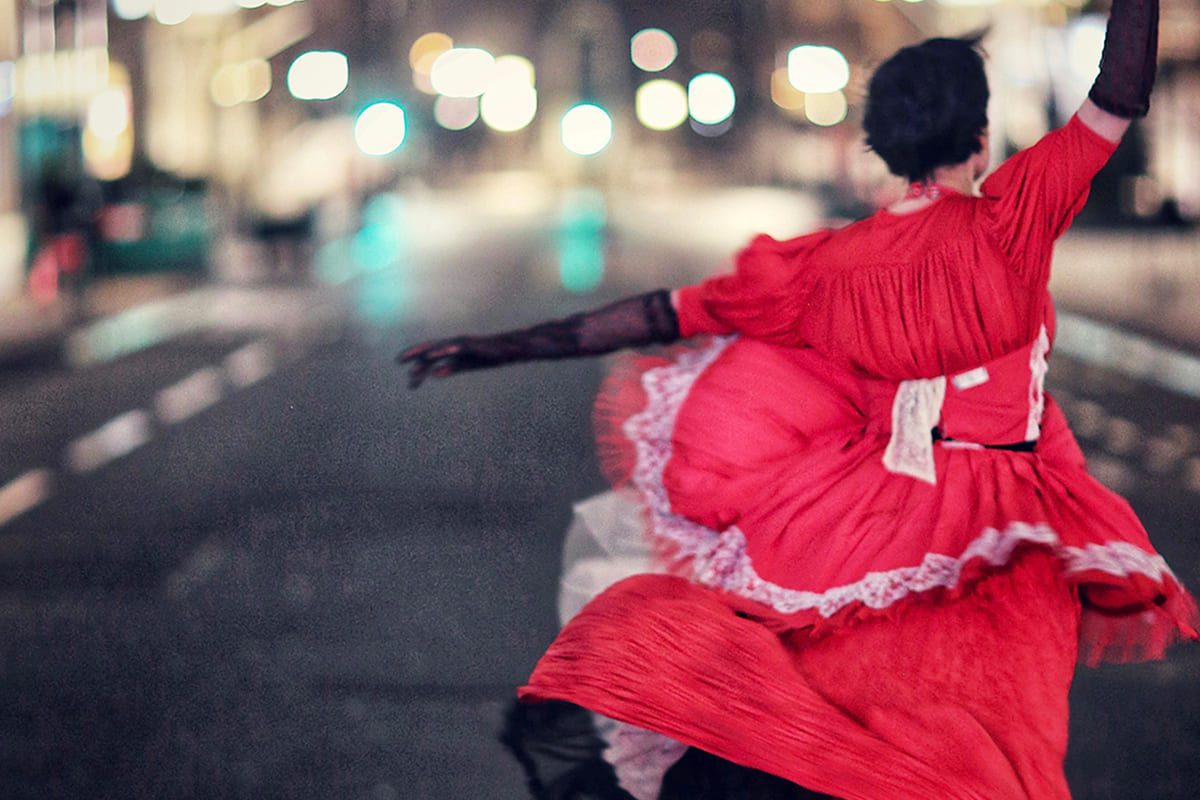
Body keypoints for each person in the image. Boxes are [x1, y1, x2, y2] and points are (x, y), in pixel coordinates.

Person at [400, 1, 1197, 797]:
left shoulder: (822, 265)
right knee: (992, 749)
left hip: (853, 526)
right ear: (982, 140)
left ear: (882, 147)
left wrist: (497, 346)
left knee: (848, 730)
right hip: (998, 533)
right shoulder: (1014, 221)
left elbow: (660, 313)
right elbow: (1120, 91)